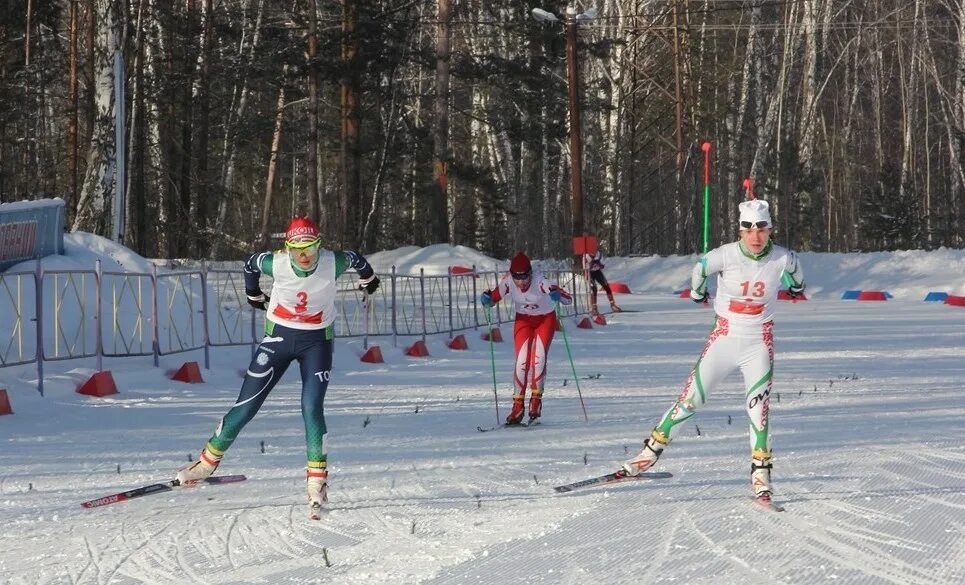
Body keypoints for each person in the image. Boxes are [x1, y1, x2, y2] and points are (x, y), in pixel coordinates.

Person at [175, 217, 380, 520]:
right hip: (279, 340)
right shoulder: (276, 262)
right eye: (297, 251)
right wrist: (253, 295)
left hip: (316, 344)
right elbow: (250, 264)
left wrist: (369, 279)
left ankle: (317, 484)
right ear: (287, 249)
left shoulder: (332, 261)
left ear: (318, 245)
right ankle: (205, 463)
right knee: (245, 406)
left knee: (311, 408)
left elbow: (357, 259)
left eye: (310, 249)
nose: (304, 257)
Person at [620, 199, 805, 504]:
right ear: (740, 231)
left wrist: (795, 288)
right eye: (748, 229)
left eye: (761, 229)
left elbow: (797, 280)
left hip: (758, 340)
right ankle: (648, 454)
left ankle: (761, 473)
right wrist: (697, 293)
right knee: (691, 399)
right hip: (725, 337)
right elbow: (700, 268)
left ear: (771, 229)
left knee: (758, 408)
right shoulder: (724, 255)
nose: (755, 236)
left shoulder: (784, 258)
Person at [479, 252, 572, 426]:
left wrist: (558, 296)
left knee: (538, 358)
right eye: (517, 277)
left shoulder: (540, 281)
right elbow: (492, 299)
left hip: (545, 320)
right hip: (523, 320)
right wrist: (486, 299)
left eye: (524, 277)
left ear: (530, 273)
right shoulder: (508, 282)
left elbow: (568, 299)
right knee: (522, 361)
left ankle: (536, 401)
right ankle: (517, 406)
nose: (521, 282)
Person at [583, 247, 621, 315]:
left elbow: (603, 265)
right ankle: (594, 308)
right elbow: (584, 267)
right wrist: (591, 263)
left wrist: (599, 264)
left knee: (606, 286)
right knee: (594, 289)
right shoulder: (586, 255)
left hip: (597, 272)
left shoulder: (599, 254)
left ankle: (613, 305)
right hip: (589, 273)